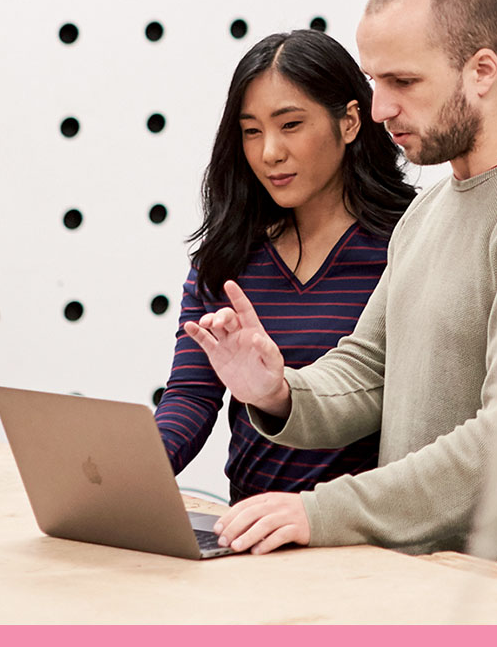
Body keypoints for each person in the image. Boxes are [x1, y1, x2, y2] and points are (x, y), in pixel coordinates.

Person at [184, 0, 497, 593]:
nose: (378, 107)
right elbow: (370, 369)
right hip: (428, 588)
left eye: (403, 81)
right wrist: (280, 391)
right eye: (373, 80)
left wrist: (319, 510)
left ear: (481, 70)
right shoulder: (431, 207)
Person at [155, 29, 416, 505]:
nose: (269, 151)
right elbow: (190, 397)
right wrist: (131, 476)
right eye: (251, 131)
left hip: (367, 542)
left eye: (290, 125)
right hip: (250, 528)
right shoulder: (228, 257)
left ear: (351, 123)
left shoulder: (411, 243)